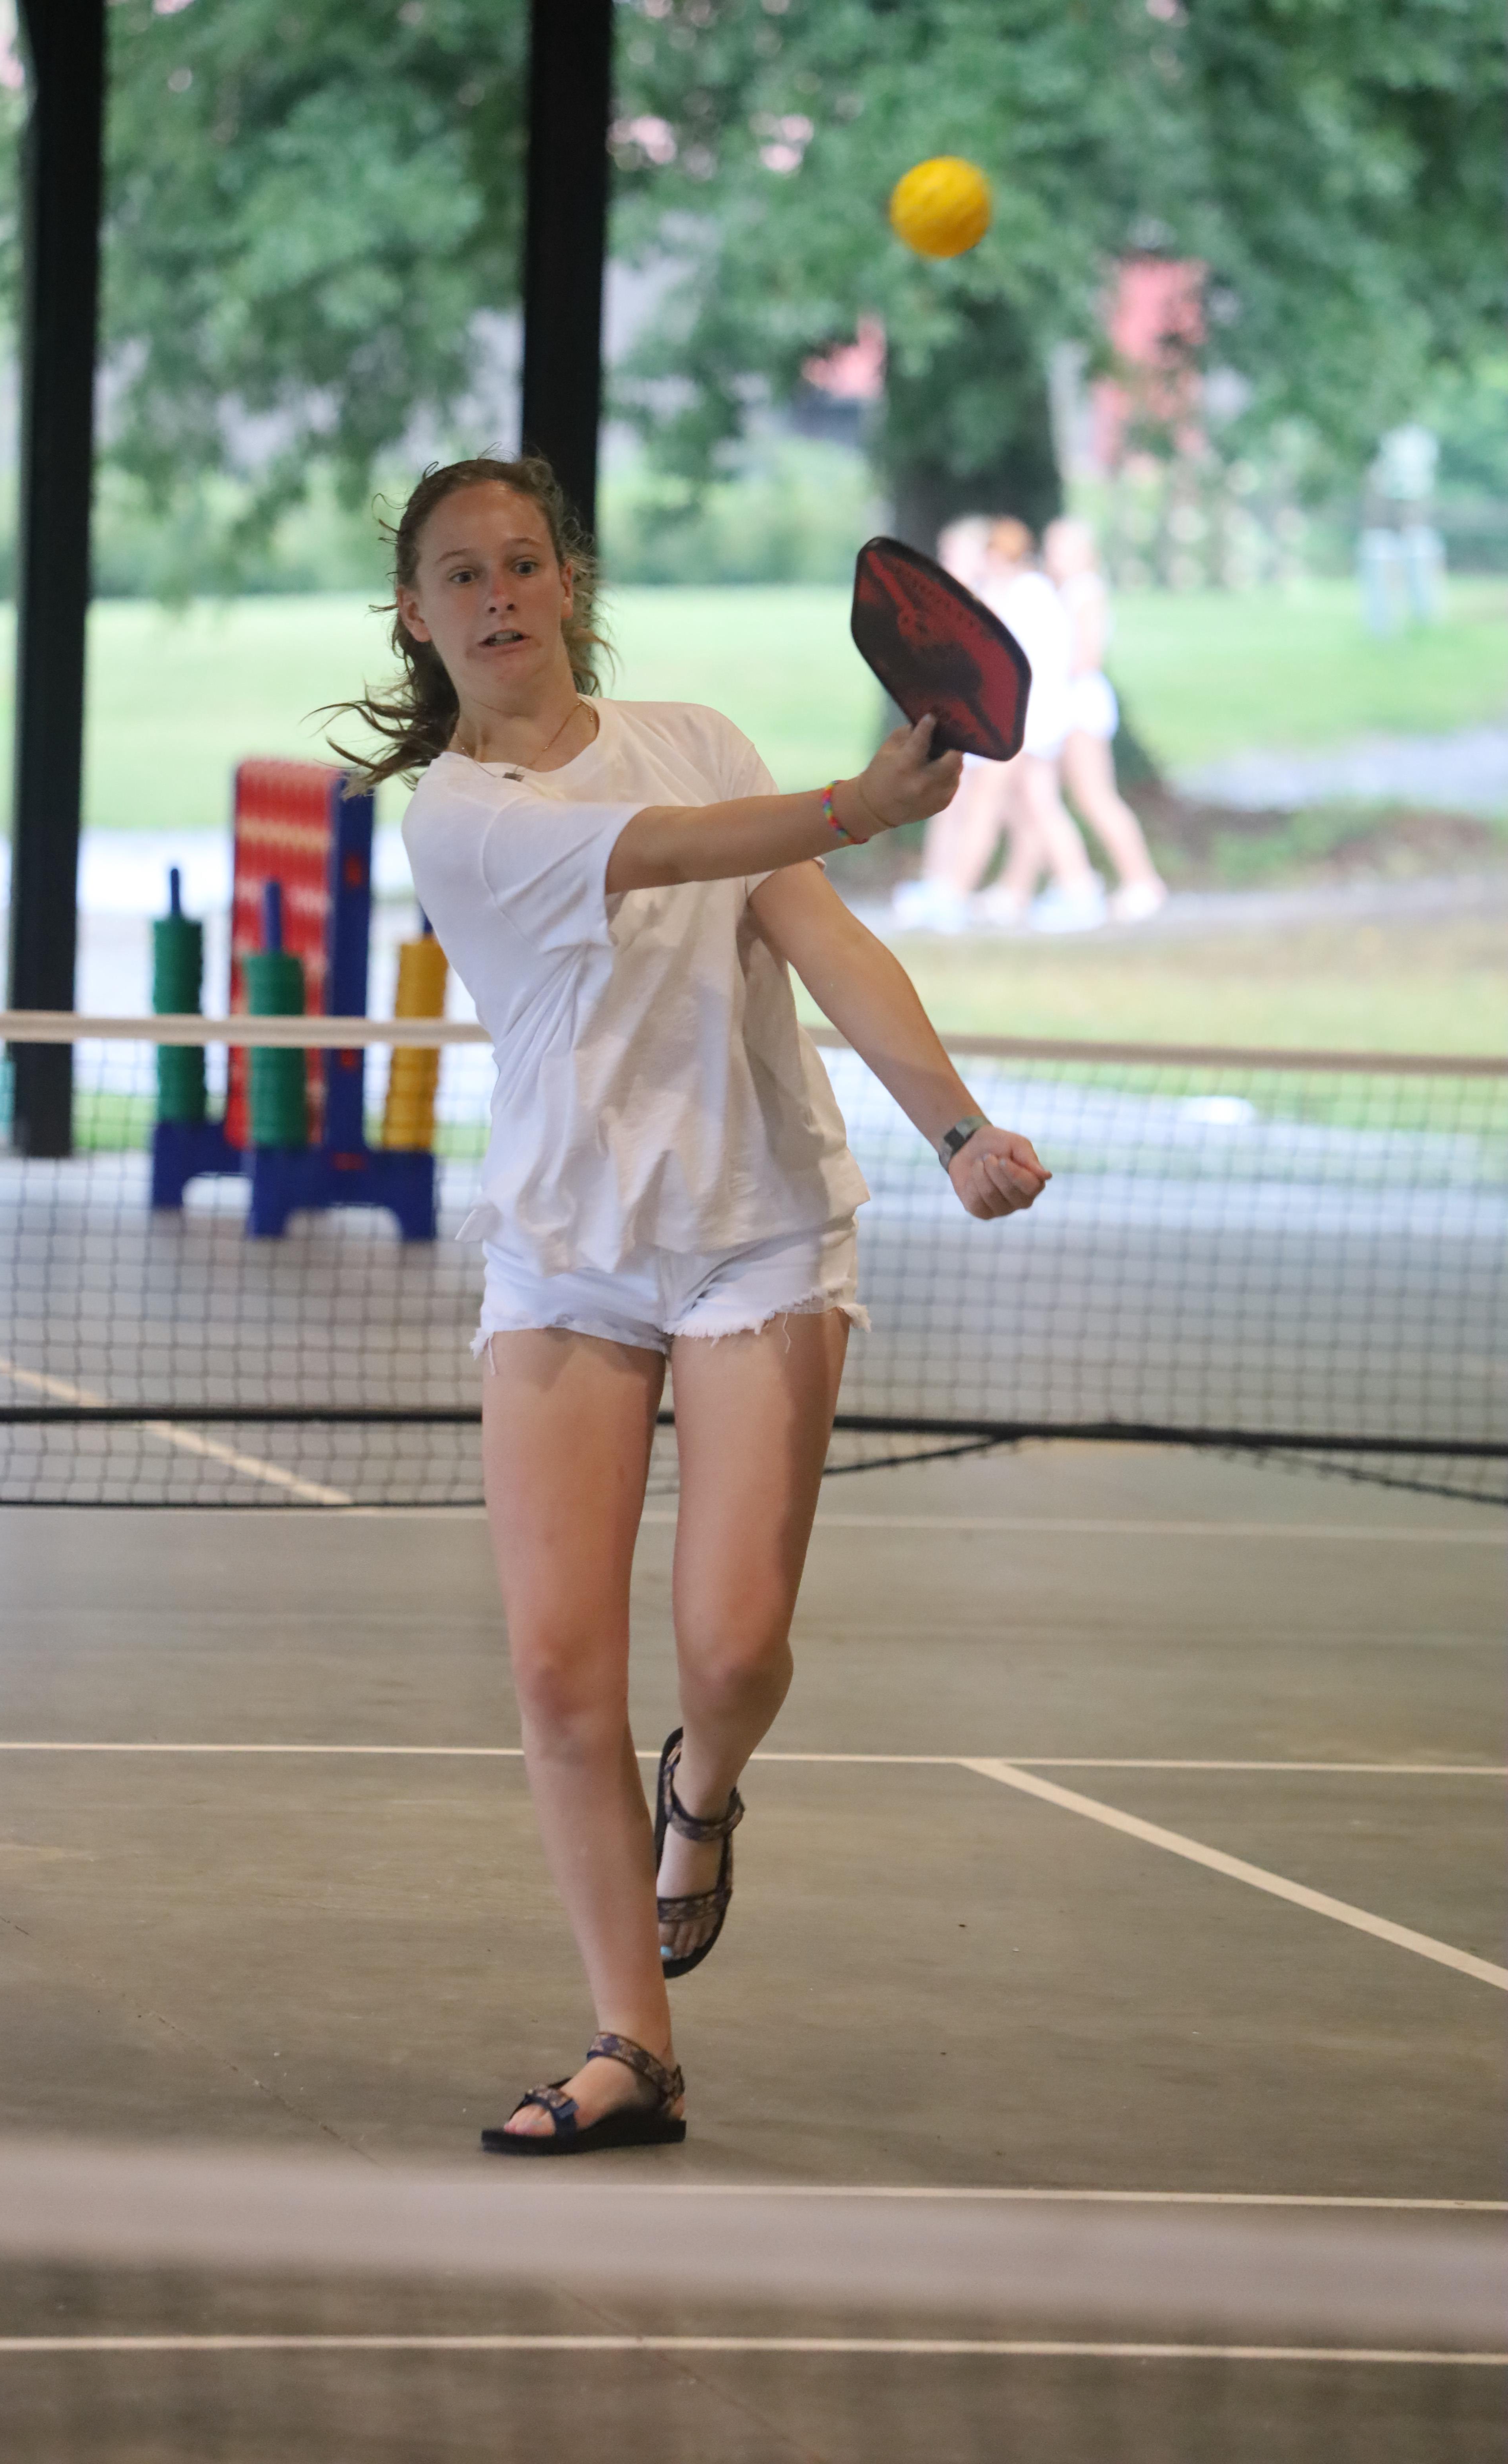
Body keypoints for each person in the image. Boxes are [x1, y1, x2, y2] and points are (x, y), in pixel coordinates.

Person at [331, 455, 1050, 2154]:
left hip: (758, 1232)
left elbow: (829, 947)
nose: (499, 596)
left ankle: (705, 1787)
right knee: (554, 1669)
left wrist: (955, 1127)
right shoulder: (457, 815)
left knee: (730, 1647)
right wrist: (854, 803)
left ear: (567, 582)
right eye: (460, 576)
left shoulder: (702, 739)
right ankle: (630, 2049)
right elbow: (659, 856)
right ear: (417, 618)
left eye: (523, 562)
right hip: (567, 1250)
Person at [893, 519, 1106, 934]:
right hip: (1027, 721)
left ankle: (956, 896)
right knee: (1036, 807)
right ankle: (1068, 889)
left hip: (1023, 722)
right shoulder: (1028, 592)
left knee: (989, 807)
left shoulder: (1023, 595)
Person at [1041, 518, 1167, 922]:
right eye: (1052, 547)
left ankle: (1142, 882)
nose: (1055, 556)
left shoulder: (1085, 591)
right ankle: (1073, 880)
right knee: (1069, 797)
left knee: (1095, 796)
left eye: (1064, 548)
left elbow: (1087, 656)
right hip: (1065, 703)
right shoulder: (1063, 592)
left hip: (1079, 704)